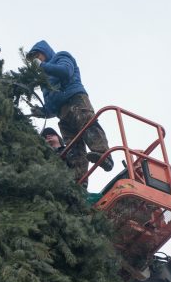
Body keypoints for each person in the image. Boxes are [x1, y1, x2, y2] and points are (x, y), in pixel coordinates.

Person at [27, 40, 113, 186]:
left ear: (45, 51)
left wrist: (42, 66)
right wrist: (43, 111)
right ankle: (79, 182)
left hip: (75, 101)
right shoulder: (44, 80)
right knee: (73, 147)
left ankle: (104, 156)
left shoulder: (61, 57)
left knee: (87, 125)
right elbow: (51, 105)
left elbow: (66, 72)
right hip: (62, 114)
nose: (36, 59)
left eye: (37, 55)